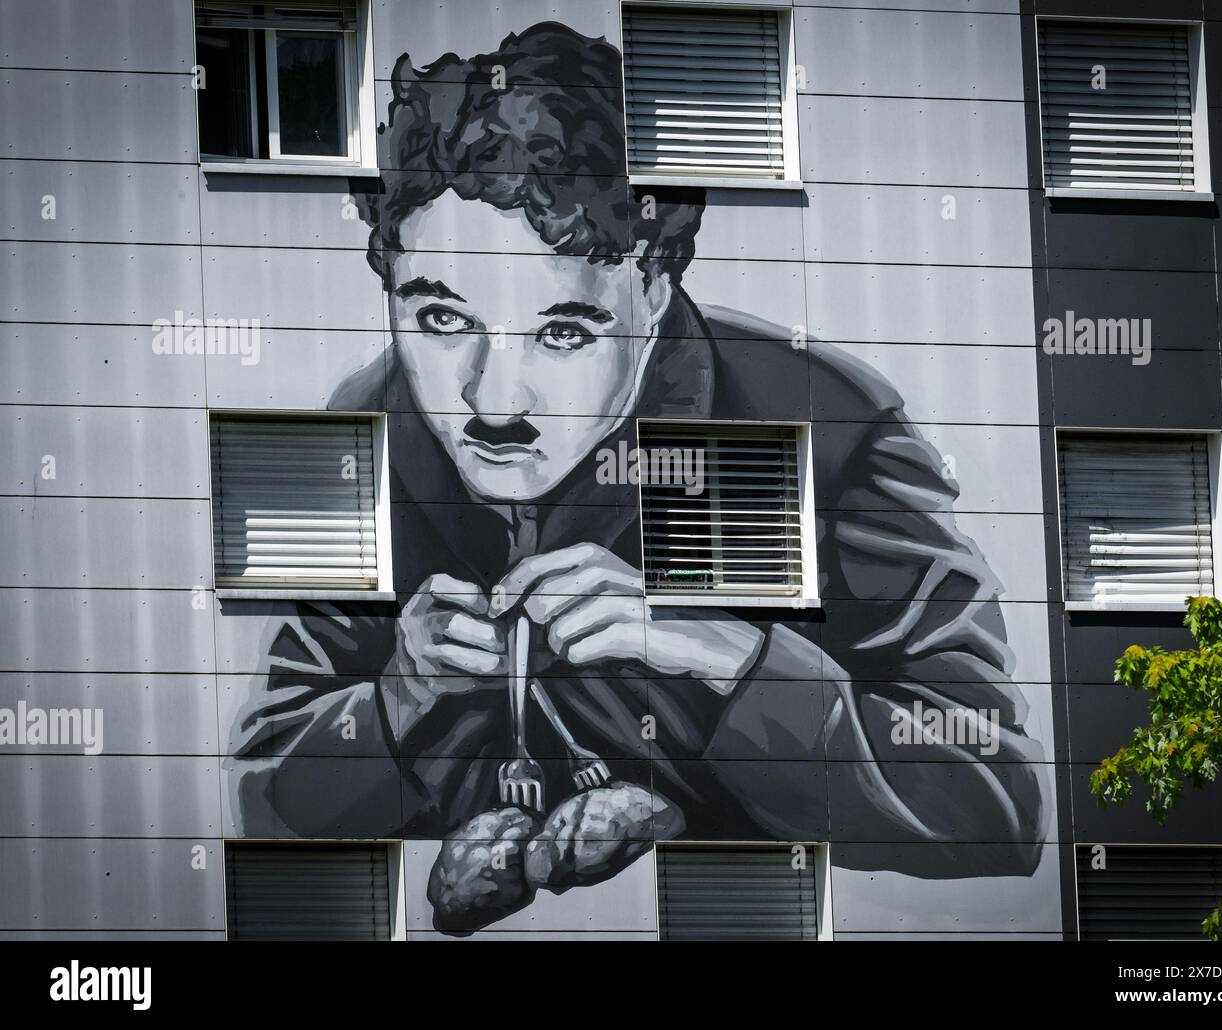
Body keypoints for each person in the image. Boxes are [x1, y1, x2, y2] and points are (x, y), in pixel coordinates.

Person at [228, 21, 1050, 903]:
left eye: (562, 333)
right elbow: (267, 801)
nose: (492, 402)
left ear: (654, 290)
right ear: (389, 284)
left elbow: (993, 799)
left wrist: (732, 659)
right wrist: (394, 695)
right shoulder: (377, 424)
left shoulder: (821, 423)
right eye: (441, 320)